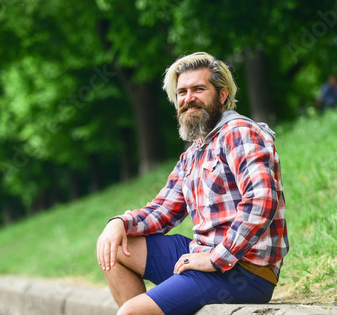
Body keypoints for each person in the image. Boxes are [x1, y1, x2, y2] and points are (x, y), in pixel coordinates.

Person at [96, 52, 289, 315]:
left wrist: (214, 258)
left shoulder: (238, 133)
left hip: (245, 270)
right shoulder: (193, 153)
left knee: (131, 313)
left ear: (222, 96)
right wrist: (118, 222)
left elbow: (261, 200)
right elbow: (163, 211)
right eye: (182, 92)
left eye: (199, 89)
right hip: (203, 253)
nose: (188, 99)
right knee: (113, 246)